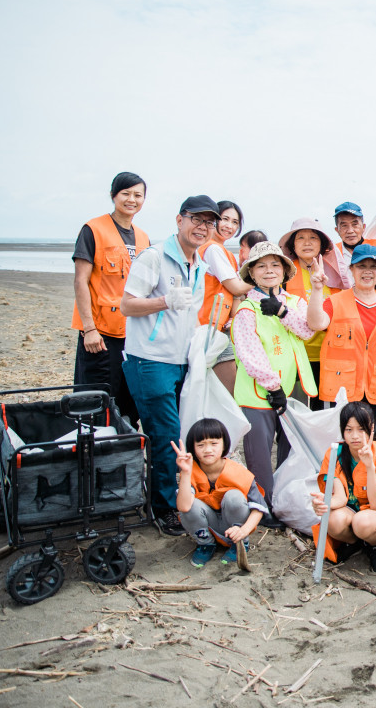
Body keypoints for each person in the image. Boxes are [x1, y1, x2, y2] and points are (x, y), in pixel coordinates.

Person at [121, 195, 217, 535]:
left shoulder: (199, 264)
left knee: (176, 432)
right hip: (150, 360)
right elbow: (127, 305)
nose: (202, 227)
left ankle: (166, 496)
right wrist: (164, 301)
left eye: (209, 223)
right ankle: (164, 509)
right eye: (197, 219)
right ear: (180, 220)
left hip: (181, 361)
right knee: (164, 436)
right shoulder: (154, 257)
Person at [231, 241, 319, 515]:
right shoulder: (246, 309)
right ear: (252, 274)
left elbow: (307, 332)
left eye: (275, 265)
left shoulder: (294, 302)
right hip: (259, 393)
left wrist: (281, 312)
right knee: (259, 452)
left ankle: (282, 500)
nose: (269, 271)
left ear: (284, 271)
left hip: (294, 387)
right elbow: (249, 353)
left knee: (289, 447)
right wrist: (273, 386)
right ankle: (262, 507)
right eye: (261, 266)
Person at [71, 171, 149, 426]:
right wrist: (89, 329)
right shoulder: (93, 229)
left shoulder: (143, 238)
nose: (132, 199)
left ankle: (125, 455)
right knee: (95, 403)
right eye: (126, 193)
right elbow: (81, 280)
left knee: (130, 403)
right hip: (100, 334)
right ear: (114, 195)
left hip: (132, 333)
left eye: (138, 195)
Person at [307, 244, 376, 445]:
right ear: (351, 270)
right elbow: (316, 323)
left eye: (373, 267)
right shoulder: (333, 302)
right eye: (361, 266)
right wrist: (317, 290)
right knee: (338, 447)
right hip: (340, 392)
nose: (367, 272)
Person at [311, 403, 376, 572]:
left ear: (371, 429)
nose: (354, 436)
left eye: (361, 429)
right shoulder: (335, 453)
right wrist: (323, 503)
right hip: (350, 508)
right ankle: (355, 543)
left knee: (362, 522)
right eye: (349, 430)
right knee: (333, 521)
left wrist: (370, 466)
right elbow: (341, 498)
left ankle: (375, 545)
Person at [172, 418, 266, 567]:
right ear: (193, 448)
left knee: (234, 496)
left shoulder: (237, 471)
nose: (208, 450)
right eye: (200, 445)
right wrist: (185, 472)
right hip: (207, 525)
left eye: (214, 443)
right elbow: (183, 507)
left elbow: (259, 508)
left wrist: (243, 531)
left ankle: (240, 543)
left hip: (235, 527)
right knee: (190, 505)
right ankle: (206, 544)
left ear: (224, 445)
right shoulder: (190, 470)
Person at [280, 218, 342, 409]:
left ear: (322, 244)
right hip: (295, 355)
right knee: (294, 410)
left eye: (313, 237)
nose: (307, 242)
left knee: (322, 411)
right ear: (293, 244)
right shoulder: (284, 273)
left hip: (327, 355)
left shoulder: (336, 273)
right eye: (301, 238)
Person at [197, 200, 251, 393]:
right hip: (210, 330)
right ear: (214, 220)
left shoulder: (223, 252)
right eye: (225, 219)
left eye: (235, 222)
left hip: (217, 327)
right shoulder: (212, 249)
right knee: (231, 391)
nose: (229, 226)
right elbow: (236, 288)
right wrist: (262, 275)